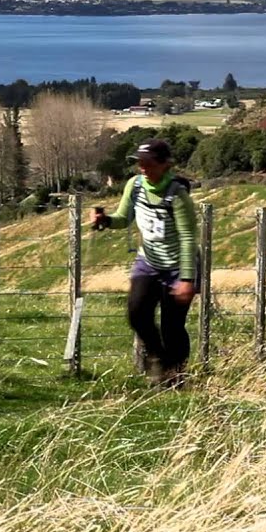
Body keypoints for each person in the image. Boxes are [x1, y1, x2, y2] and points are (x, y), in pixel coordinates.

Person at [90, 138, 199, 387]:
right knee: (137, 313)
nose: (143, 168)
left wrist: (186, 279)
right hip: (148, 262)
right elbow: (124, 217)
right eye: (140, 163)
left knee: (172, 327)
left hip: (177, 267)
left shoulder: (178, 196)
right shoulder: (136, 185)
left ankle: (176, 378)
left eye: (148, 163)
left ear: (164, 165)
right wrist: (105, 220)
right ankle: (158, 358)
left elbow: (188, 238)